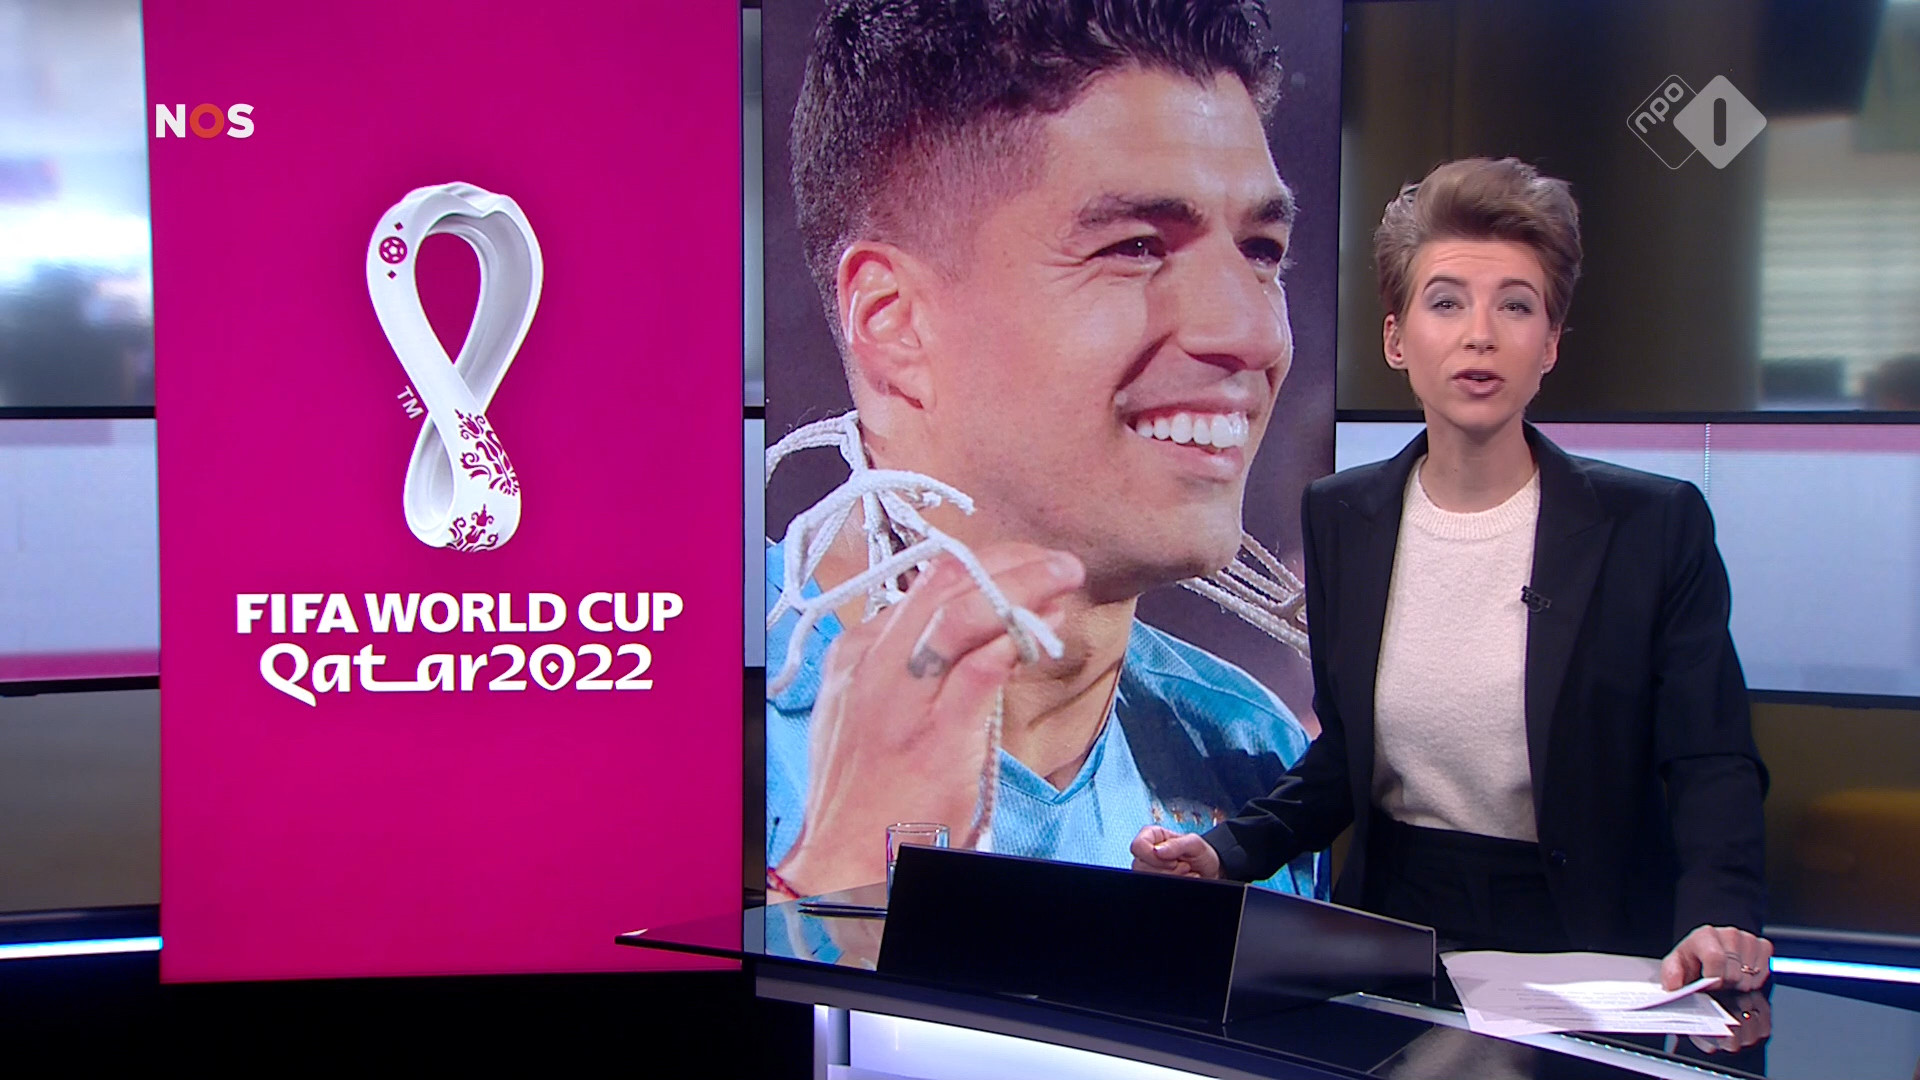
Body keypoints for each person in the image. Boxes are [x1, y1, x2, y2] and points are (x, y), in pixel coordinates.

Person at [1133, 158, 1774, 994]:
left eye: (1515, 305)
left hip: (1591, 946)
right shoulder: (1343, 516)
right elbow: (1348, 759)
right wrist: (1226, 852)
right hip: (1396, 935)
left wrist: (1720, 913)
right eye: (1446, 302)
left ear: (1550, 344)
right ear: (1397, 340)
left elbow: (1710, 759)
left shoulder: (1651, 527)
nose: (1481, 334)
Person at [764, 0, 1327, 902]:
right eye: (1135, 246)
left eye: (1261, 251)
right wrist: (836, 883)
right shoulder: (665, 701)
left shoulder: (1253, 754)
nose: (1253, 335)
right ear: (895, 323)